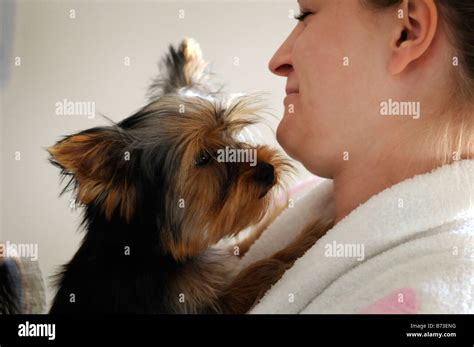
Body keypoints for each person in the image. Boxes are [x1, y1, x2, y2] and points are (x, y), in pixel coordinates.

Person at [240, 0, 474, 313]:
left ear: (407, 30)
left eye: (306, 15)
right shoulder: (286, 205)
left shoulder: (432, 310)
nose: (278, 60)